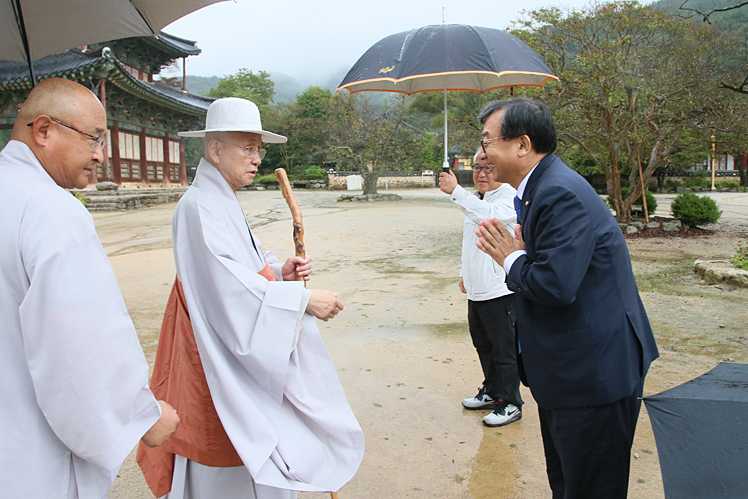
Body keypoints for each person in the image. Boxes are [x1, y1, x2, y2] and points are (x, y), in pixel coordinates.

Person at [137, 97, 364, 499]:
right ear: (214, 149)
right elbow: (225, 291)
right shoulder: (198, 205)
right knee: (227, 451)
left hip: (227, 340)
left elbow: (244, 269)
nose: (257, 157)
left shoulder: (219, 198)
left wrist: (281, 274)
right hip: (213, 352)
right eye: (247, 147)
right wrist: (301, 301)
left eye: (259, 148)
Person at [0, 78, 180, 499]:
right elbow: (79, 342)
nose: (101, 154)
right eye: (95, 139)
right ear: (43, 131)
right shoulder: (51, 210)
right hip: (31, 452)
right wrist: (142, 414)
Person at [475, 98, 659, 499]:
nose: (481, 152)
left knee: (591, 487)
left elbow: (555, 286)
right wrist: (523, 256)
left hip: (593, 373)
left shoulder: (560, 192)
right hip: (568, 371)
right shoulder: (538, 188)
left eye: (488, 141)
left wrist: (511, 257)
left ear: (522, 145)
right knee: (570, 483)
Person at [439, 148, 523, 427]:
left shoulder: (510, 197)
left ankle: (510, 401)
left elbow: (489, 218)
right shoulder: (477, 199)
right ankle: (492, 390)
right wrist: (464, 271)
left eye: (488, 167)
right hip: (477, 288)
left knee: (504, 349)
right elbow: (468, 240)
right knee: (483, 345)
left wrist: (455, 192)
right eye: (477, 167)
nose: (481, 173)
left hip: (500, 289)